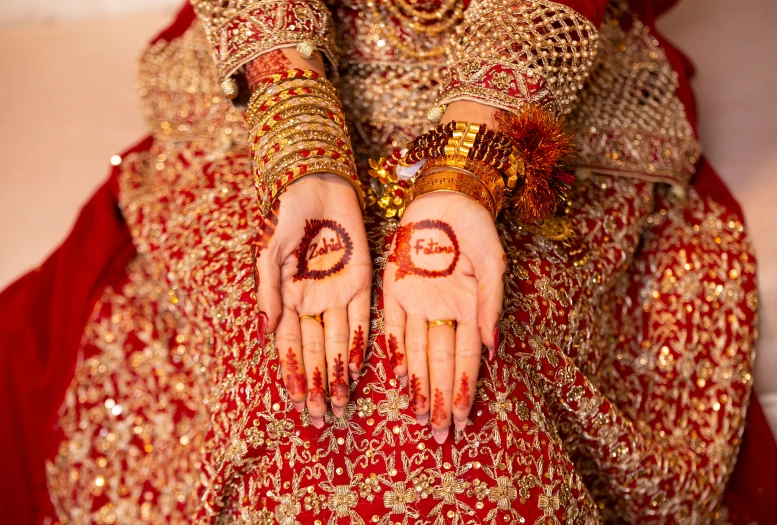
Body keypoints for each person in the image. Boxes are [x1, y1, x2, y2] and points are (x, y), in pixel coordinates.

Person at [1, 0, 776, 522]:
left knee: (465, 385)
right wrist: (302, 147)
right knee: (286, 371)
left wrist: (463, 179)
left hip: (529, 68)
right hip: (280, 58)